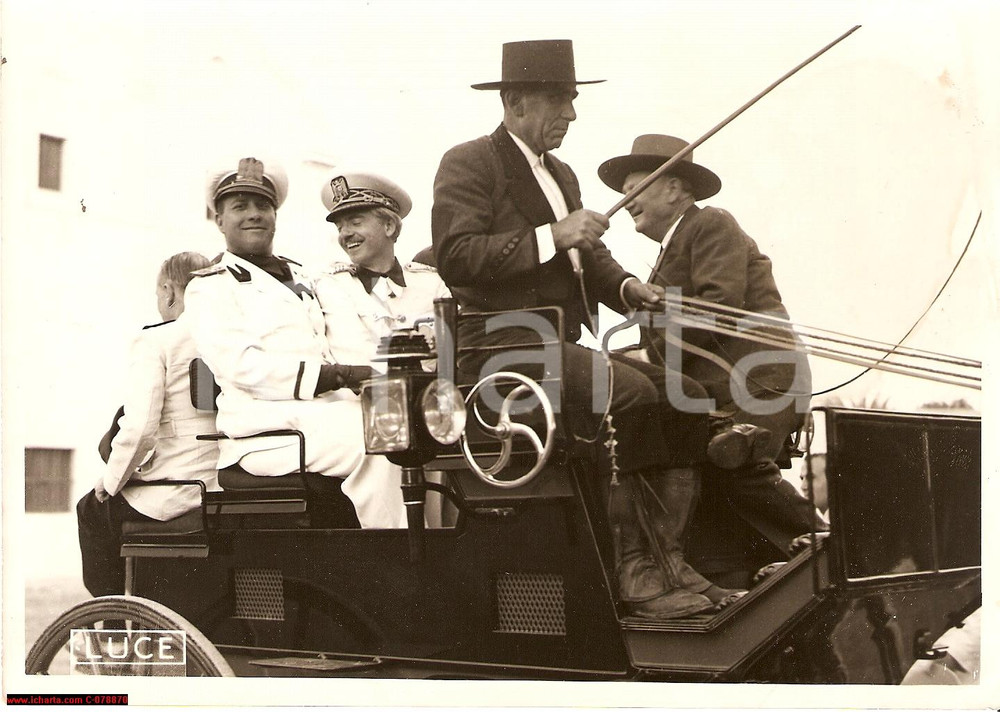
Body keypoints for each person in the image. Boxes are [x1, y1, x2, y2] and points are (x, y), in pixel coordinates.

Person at [432, 40, 745, 618]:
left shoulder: (564, 175)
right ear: (516, 102)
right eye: (560, 102)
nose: (571, 116)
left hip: (555, 344)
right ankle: (636, 575)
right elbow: (456, 256)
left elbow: (587, 256)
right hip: (499, 346)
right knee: (626, 391)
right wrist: (553, 234)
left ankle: (668, 559)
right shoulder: (470, 161)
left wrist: (629, 287)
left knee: (689, 397)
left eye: (573, 101)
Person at [598, 134, 825, 555]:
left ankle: (825, 541)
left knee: (734, 462)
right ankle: (788, 559)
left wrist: (646, 357)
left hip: (759, 380)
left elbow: (719, 305)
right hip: (731, 387)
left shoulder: (710, 223)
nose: (626, 201)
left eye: (635, 189)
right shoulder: (673, 248)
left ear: (674, 187)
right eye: (624, 193)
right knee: (717, 476)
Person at [184, 157, 405, 529]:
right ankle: (394, 565)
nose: (254, 215)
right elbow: (242, 366)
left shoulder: (306, 275)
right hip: (262, 433)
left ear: (275, 214)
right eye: (240, 207)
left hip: (325, 417)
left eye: (263, 206)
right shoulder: (210, 286)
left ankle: (431, 548)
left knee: (420, 428)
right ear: (218, 219)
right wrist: (338, 376)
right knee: (383, 439)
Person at [77, 252, 221, 597]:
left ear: (170, 291)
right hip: (218, 485)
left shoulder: (157, 340)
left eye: (159, 295)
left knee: (90, 509)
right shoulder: (224, 338)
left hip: (176, 489)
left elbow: (140, 429)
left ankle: (111, 621)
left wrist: (110, 483)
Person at [313, 171, 450, 370]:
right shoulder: (334, 287)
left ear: (389, 226)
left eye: (355, 222)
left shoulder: (433, 283)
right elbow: (357, 359)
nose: (346, 234)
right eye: (340, 227)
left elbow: (454, 350)